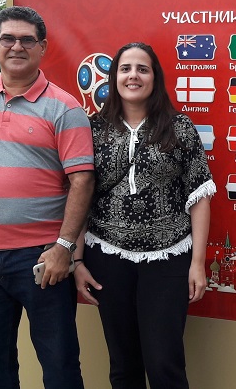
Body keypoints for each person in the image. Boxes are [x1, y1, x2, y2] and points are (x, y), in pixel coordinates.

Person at [0, 5, 95, 389]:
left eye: (27, 40)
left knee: (60, 364)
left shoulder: (65, 108)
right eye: (8, 38)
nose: (17, 46)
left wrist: (64, 247)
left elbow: (82, 181)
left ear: (42, 47)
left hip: (41, 258)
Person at [74, 42, 214, 389]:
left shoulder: (179, 127)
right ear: (114, 77)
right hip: (107, 256)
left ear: (155, 78)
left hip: (168, 258)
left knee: (165, 362)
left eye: (142, 69)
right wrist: (76, 260)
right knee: (123, 364)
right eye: (125, 68)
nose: (133, 75)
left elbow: (199, 196)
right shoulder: (92, 129)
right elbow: (79, 197)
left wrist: (197, 263)